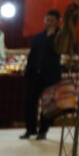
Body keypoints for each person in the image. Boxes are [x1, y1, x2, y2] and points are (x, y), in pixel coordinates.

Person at [22, 9, 64, 139]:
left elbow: (61, 51)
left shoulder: (60, 36)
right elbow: (32, 55)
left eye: (52, 20)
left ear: (57, 22)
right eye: (47, 19)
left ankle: (43, 130)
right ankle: (30, 129)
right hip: (35, 73)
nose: (49, 22)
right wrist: (28, 71)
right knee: (30, 102)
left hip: (50, 75)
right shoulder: (38, 36)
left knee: (47, 105)